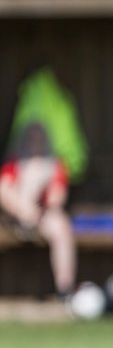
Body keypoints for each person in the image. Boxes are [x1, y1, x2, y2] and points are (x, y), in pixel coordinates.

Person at [0, 122, 76, 297]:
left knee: (61, 226)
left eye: (39, 138)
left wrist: (40, 202)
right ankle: (26, 216)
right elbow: (3, 192)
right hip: (14, 216)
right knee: (23, 178)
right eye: (31, 138)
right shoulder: (15, 163)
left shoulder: (54, 165)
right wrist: (24, 209)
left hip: (42, 215)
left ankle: (65, 288)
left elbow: (57, 198)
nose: (35, 142)